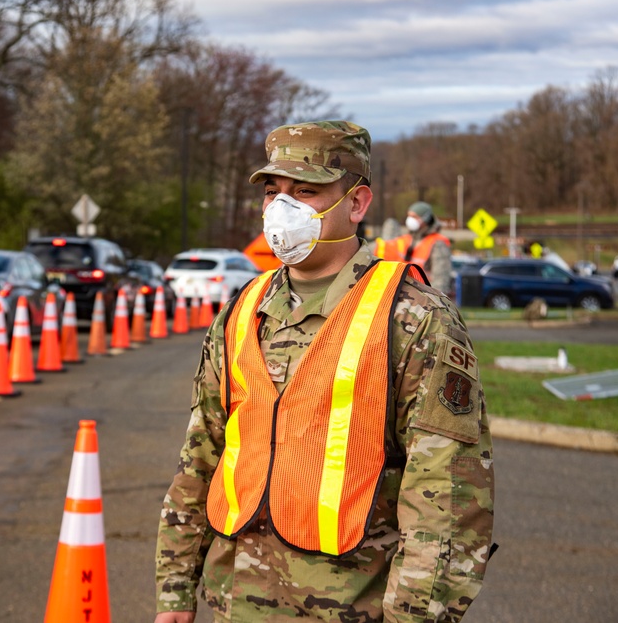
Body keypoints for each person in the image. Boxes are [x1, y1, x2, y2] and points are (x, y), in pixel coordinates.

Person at [154, 120, 495, 622]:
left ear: (356, 204)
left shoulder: (414, 319)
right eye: (274, 193)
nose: (281, 209)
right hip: (234, 605)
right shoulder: (242, 311)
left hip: (349, 608)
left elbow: (446, 500)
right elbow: (202, 455)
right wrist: (174, 591)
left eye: (306, 192)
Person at [377, 201, 453, 296]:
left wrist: (435, 301)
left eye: (414, 217)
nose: (410, 220)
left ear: (425, 219)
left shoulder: (438, 243)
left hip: (425, 297)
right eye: (409, 216)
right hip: (403, 294)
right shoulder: (405, 240)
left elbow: (441, 279)